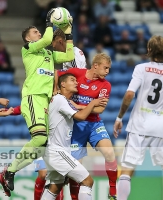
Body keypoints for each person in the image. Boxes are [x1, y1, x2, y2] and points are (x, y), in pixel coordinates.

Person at [0, 9, 74, 194]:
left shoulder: (48, 54)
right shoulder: (28, 50)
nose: (39, 33)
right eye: (35, 32)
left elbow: (68, 56)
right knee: (40, 138)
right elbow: (47, 39)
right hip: (33, 97)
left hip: (45, 102)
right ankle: (10, 171)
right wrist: (49, 21)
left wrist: (69, 34)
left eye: (39, 31)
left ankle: (10, 172)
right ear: (28, 39)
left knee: (42, 144)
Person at [56, 53, 117, 200]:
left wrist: (78, 106)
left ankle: (113, 190)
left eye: (109, 68)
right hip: (76, 125)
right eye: (105, 68)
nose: (107, 71)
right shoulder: (78, 73)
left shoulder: (105, 85)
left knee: (109, 153)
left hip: (94, 124)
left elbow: (100, 109)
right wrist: (55, 91)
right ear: (95, 66)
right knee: (76, 167)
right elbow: (56, 73)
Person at [34, 28, 86, 200]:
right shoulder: (52, 57)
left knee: (60, 182)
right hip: (58, 114)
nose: (52, 46)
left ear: (60, 40)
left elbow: (79, 78)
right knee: (45, 174)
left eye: (53, 42)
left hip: (69, 111)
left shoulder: (77, 55)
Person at [41, 73, 108, 200]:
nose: (76, 82)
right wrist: (93, 102)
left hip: (53, 150)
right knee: (87, 181)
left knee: (56, 186)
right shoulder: (60, 99)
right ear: (63, 84)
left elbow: (79, 110)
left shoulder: (63, 101)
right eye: (72, 80)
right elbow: (82, 116)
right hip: (57, 151)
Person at [113, 35, 163, 200]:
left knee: (127, 169)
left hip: (139, 125)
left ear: (149, 50)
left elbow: (129, 94)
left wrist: (120, 117)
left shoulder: (142, 68)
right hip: (160, 126)